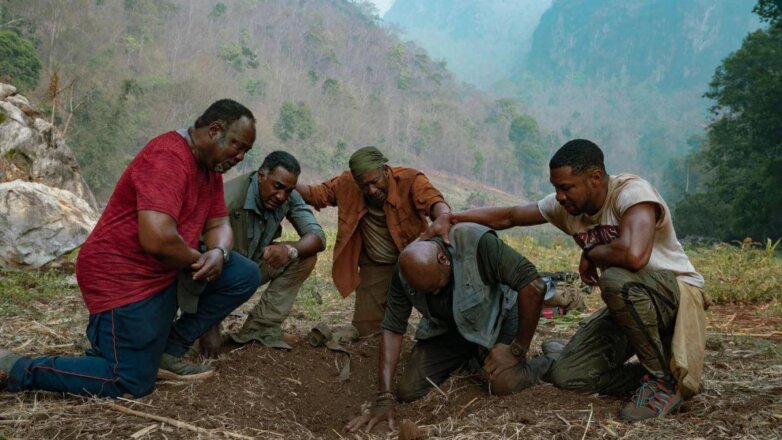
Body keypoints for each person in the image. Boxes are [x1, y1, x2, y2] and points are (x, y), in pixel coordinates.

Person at [425, 139, 709, 422]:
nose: (559, 196)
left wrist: (591, 252)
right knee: (568, 376)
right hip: (631, 308)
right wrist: (453, 218)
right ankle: (663, 377)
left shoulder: (632, 194)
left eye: (566, 187)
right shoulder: (568, 208)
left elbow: (635, 257)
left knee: (616, 280)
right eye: (556, 188)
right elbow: (510, 216)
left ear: (595, 178)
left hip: (675, 297)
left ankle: (661, 382)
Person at [0, 99, 261, 398]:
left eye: (245, 152)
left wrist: (219, 254)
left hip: (164, 271)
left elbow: (219, 226)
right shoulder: (168, 157)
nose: (240, 157)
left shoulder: (210, 170)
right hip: (121, 275)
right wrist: (200, 259)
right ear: (215, 131)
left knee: (243, 274)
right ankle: (17, 367)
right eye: (237, 146)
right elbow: (157, 239)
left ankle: (166, 351)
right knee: (129, 381)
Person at [346, 223, 553, 432]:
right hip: (451, 329)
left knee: (503, 384)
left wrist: (516, 349)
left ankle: (551, 360)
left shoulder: (477, 243)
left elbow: (534, 286)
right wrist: (384, 397)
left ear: (443, 259)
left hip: (500, 319)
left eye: (436, 287)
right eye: (427, 292)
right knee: (409, 391)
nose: (434, 294)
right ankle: (474, 356)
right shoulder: (405, 270)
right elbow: (393, 328)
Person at [296, 146, 451, 336]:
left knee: (442, 317)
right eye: (364, 186)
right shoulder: (347, 183)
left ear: (385, 170)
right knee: (366, 331)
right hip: (376, 265)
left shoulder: (410, 180)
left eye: (375, 182)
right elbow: (316, 195)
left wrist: (443, 217)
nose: (371, 190)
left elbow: (433, 200)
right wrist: (287, 184)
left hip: (415, 261)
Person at [198, 151, 326, 355]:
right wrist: (209, 322)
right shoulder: (228, 199)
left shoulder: (288, 197)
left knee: (305, 256)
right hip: (218, 274)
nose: (282, 196)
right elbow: (198, 257)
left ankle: (260, 328)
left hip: (250, 268)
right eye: (277, 187)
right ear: (261, 176)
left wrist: (289, 250)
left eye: (288, 190)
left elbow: (318, 237)